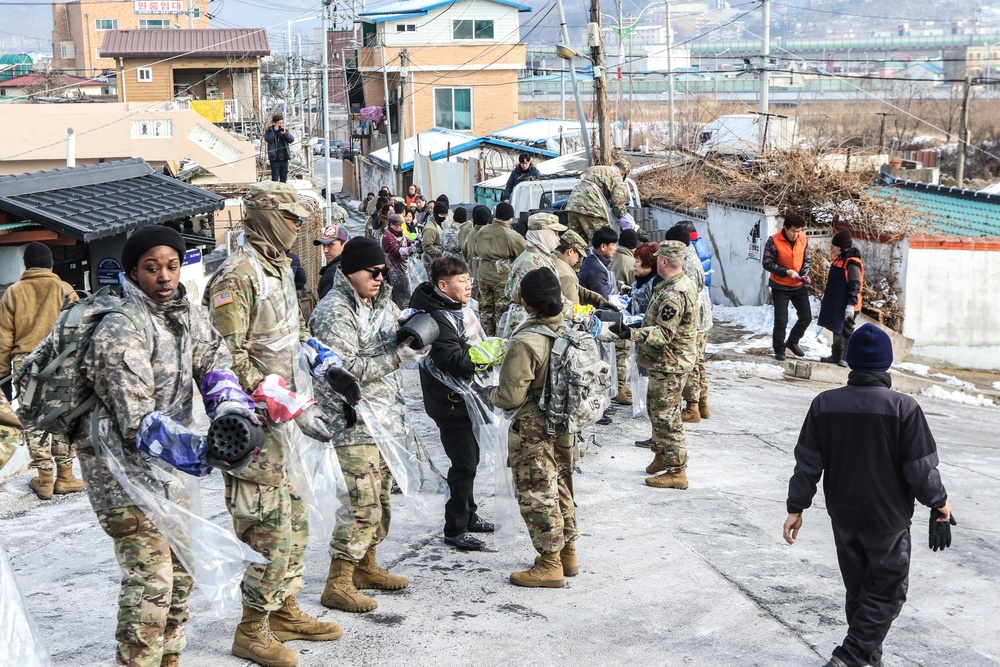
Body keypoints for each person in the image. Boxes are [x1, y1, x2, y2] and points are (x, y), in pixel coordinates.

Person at [74, 225, 261, 667]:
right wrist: (205, 452)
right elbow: (137, 421)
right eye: (151, 268)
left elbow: (215, 362)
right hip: (121, 477)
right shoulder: (118, 329)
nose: (164, 276)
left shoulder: (188, 316)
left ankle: (169, 659)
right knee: (151, 583)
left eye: (172, 266)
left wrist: (229, 408)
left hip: (170, 474)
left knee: (180, 578)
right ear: (133, 273)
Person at [206, 182, 341, 667]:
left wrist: (320, 359)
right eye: (289, 217)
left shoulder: (278, 268)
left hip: (285, 421)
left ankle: (284, 609)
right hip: (253, 428)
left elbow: (292, 335)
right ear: (263, 215)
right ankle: (251, 630)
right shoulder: (236, 276)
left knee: (295, 519)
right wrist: (278, 396)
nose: (298, 227)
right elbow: (222, 358)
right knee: (266, 529)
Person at [783, 323, 955, 667]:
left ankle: (868, 657)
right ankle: (850, 656)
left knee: (860, 590)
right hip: (887, 519)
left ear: (850, 360)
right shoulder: (904, 407)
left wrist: (796, 507)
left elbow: (807, 464)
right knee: (889, 591)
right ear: (886, 364)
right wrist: (940, 503)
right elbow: (921, 469)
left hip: (844, 517)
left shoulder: (824, 404)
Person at [309, 237, 413, 614]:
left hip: (382, 419)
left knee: (381, 501)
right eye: (373, 271)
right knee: (361, 505)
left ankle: (365, 567)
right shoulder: (334, 311)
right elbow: (344, 370)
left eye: (384, 271)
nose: (380, 278)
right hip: (350, 423)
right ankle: (338, 582)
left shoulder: (377, 302)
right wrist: (398, 357)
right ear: (350, 270)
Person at [491, 268, 580, 588]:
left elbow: (509, 396)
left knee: (537, 493)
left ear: (528, 304)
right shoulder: (569, 327)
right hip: (564, 423)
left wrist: (486, 391)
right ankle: (567, 553)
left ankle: (549, 563)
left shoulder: (526, 340)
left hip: (532, 427)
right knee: (561, 486)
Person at [409, 257, 497, 551]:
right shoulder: (437, 317)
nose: (469, 285)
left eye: (469, 279)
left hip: (464, 399)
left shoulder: (456, 309)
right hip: (450, 403)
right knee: (463, 464)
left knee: (471, 459)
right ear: (443, 285)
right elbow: (454, 361)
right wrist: (491, 353)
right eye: (461, 281)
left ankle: (469, 514)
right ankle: (455, 527)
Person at [0, 242, 84, 499]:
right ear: (50, 264)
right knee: (62, 416)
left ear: (27, 265)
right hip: (60, 361)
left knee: (34, 418)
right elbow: (79, 328)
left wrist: (3, 375)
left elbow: (4, 337)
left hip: (25, 364)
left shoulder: (13, 292)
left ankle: (44, 479)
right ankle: (66, 477)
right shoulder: (65, 289)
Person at [617, 240, 697, 489]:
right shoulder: (672, 285)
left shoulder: (675, 293)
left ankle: (677, 471)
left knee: (667, 417)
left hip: (670, 364)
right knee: (656, 411)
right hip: (665, 362)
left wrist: (629, 333)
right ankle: (663, 453)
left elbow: (664, 334)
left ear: (663, 261)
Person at [662, 224, 711, 424]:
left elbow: (687, 296)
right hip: (702, 319)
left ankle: (693, 407)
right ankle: (702, 404)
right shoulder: (692, 255)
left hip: (695, 321)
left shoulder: (687, 263)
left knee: (691, 364)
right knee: (698, 362)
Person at [501, 212, 566, 337]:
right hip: (528, 325)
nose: (558, 239)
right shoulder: (531, 262)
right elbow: (549, 298)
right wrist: (579, 315)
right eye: (556, 234)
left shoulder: (540, 257)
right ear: (544, 234)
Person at [763, 211, 813, 361]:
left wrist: (804, 274)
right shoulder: (773, 240)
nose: (796, 234)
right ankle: (779, 349)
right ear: (785, 228)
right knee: (781, 320)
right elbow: (767, 263)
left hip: (798, 286)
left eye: (798, 231)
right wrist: (785, 272)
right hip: (780, 286)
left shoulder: (803, 239)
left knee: (806, 317)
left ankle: (792, 341)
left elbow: (807, 260)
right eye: (793, 231)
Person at [474, 202, 526, 336]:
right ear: (510, 218)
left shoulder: (482, 231)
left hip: (483, 274)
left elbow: (474, 250)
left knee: (485, 310)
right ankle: (499, 340)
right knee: (501, 311)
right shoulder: (512, 235)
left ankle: (486, 337)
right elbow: (522, 256)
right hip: (501, 278)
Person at [818, 229, 864, 367]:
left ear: (840, 247)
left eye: (835, 246)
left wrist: (851, 304)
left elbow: (854, 284)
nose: (834, 249)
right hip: (837, 303)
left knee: (846, 330)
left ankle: (845, 358)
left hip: (849, 304)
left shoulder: (852, 263)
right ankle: (836, 356)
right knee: (837, 329)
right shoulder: (839, 260)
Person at [565, 158, 635, 241]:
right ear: (623, 173)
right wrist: (630, 226)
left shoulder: (595, 169)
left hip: (573, 205)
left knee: (575, 242)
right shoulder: (617, 176)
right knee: (605, 240)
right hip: (591, 208)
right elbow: (618, 205)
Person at [551, 230, 606, 308]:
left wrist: (598, 299)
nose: (579, 259)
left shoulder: (552, 258)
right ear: (570, 251)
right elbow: (573, 308)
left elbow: (576, 288)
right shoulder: (567, 275)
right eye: (579, 256)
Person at [381, 213, 415, 309]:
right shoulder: (388, 236)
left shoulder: (399, 232)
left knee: (407, 293)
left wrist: (414, 242)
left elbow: (406, 240)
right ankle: (399, 313)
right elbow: (396, 252)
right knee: (399, 295)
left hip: (403, 268)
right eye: (398, 225)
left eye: (401, 224)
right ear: (391, 225)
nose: (400, 226)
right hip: (394, 270)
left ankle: (407, 310)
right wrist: (411, 249)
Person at [578, 226, 620, 301]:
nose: (615, 248)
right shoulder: (596, 269)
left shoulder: (595, 260)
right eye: (613, 245)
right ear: (603, 247)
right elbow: (602, 301)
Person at [314, 223, 350, 300]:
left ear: (345, 245)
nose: (325, 250)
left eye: (330, 245)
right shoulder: (351, 263)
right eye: (324, 245)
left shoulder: (334, 272)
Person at [263, 113, 295, 183]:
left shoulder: (284, 131)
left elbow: (291, 140)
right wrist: (274, 131)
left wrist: (285, 134)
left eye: (281, 123)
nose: (280, 124)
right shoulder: (269, 131)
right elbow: (268, 139)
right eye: (278, 123)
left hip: (284, 158)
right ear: (274, 122)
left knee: (283, 179)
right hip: (274, 159)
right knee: (275, 179)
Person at [421, 199, 450, 271]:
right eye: (441, 214)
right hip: (432, 262)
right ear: (436, 213)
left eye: (445, 215)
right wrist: (440, 252)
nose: (443, 217)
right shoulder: (430, 229)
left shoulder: (440, 223)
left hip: (439, 262)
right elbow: (427, 247)